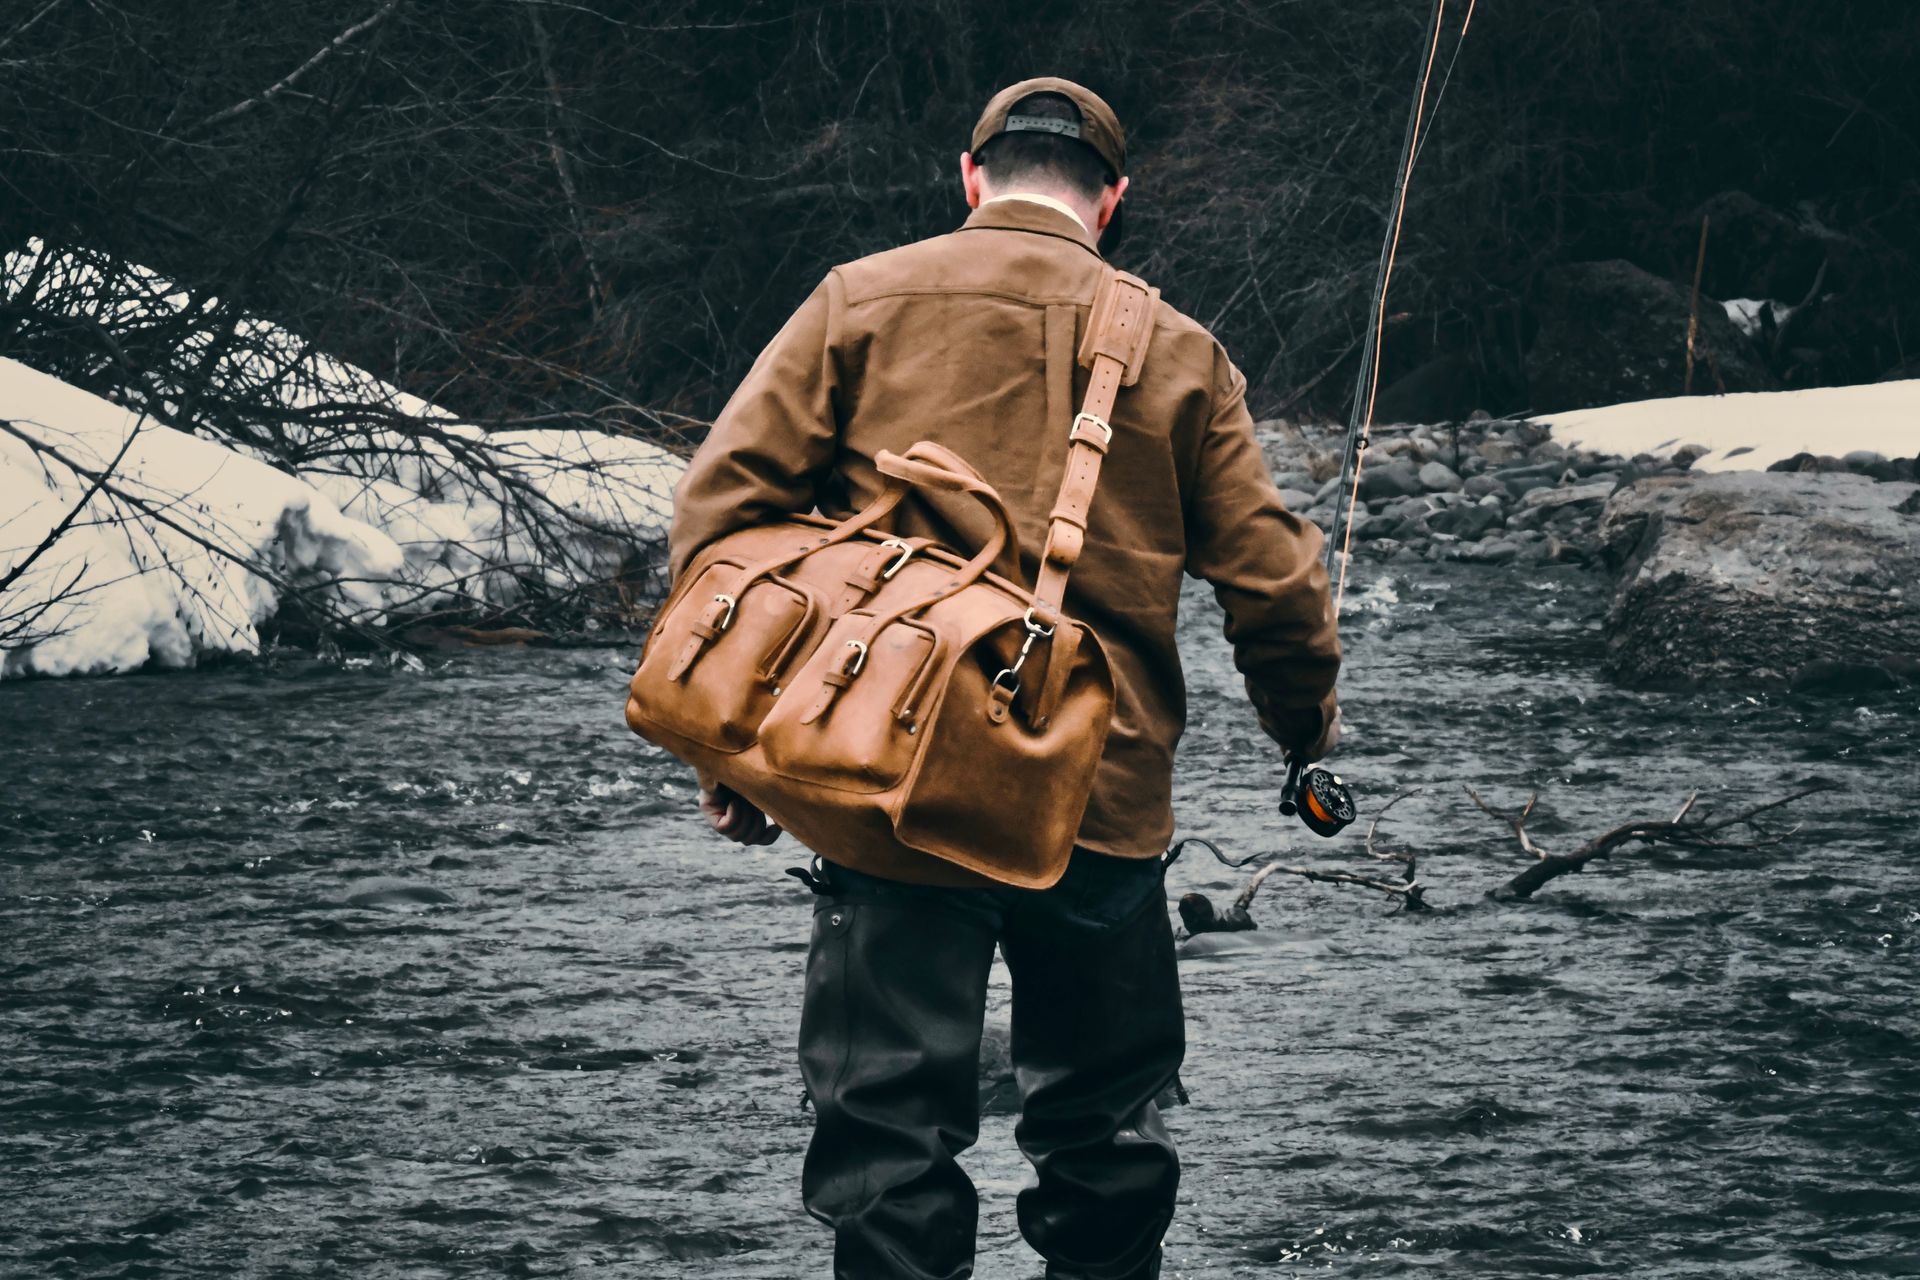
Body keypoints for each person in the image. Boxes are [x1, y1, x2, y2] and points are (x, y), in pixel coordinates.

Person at [667, 76, 1342, 1280]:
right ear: (1115, 201)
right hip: (1104, 799)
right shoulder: (1183, 353)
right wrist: (1305, 737)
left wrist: (735, 743)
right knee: (1106, 1137)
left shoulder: (854, 303)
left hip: (888, 783)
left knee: (884, 1135)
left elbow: (720, 515)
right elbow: (1276, 589)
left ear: (971, 177)